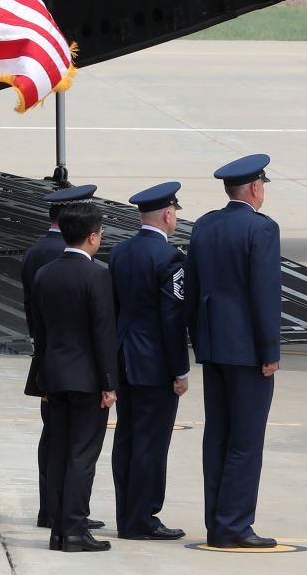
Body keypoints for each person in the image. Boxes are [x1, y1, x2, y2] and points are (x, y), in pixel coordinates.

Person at [186, 154, 281, 549]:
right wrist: (269, 349)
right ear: (256, 189)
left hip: (213, 346)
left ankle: (217, 521)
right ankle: (235, 525)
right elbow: (264, 294)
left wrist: (199, 337)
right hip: (246, 351)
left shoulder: (205, 224)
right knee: (245, 440)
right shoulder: (262, 229)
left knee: (218, 438)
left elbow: (191, 288)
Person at [30, 201, 118, 553]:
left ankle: (58, 531)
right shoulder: (97, 274)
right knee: (83, 457)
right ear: (93, 237)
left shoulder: (45, 273)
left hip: (53, 376)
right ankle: (77, 531)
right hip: (87, 379)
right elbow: (103, 332)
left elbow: (41, 330)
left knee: (58, 454)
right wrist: (109, 383)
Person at [21, 184, 105, 532]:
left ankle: (54, 512)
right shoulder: (88, 267)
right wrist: (108, 381)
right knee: (78, 450)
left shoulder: (38, 257)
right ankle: (72, 517)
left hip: (50, 367)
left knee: (55, 443)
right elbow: (100, 329)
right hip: (82, 371)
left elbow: (36, 320)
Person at [109, 182, 189, 541]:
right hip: (154, 363)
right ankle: (143, 518)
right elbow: (172, 318)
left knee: (126, 438)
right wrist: (180, 369)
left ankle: (127, 514)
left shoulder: (120, 252)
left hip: (123, 357)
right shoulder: (170, 258)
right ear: (168, 215)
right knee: (151, 443)